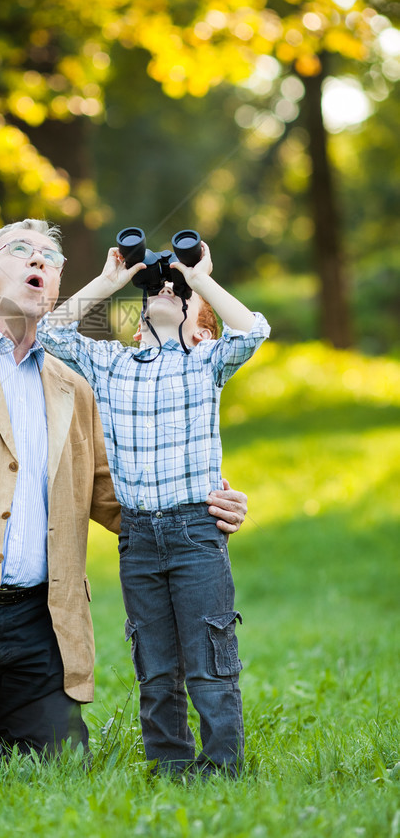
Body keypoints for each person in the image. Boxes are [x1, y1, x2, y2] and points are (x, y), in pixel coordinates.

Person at [0, 220, 249, 766]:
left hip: (39, 624)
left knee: (55, 767)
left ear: (56, 289)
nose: (39, 260)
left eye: (51, 258)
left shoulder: (75, 382)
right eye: (22, 251)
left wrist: (201, 507)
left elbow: (112, 494)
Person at [37, 239, 270, 776]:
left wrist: (200, 278)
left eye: (179, 294)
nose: (167, 291)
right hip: (138, 538)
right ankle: (169, 766)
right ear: (137, 322)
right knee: (155, 664)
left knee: (210, 660)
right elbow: (50, 332)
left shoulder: (205, 363)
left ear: (202, 330)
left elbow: (254, 331)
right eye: (158, 290)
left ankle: (221, 769)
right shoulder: (114, 366)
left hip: (195, 535)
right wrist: (112, 281)